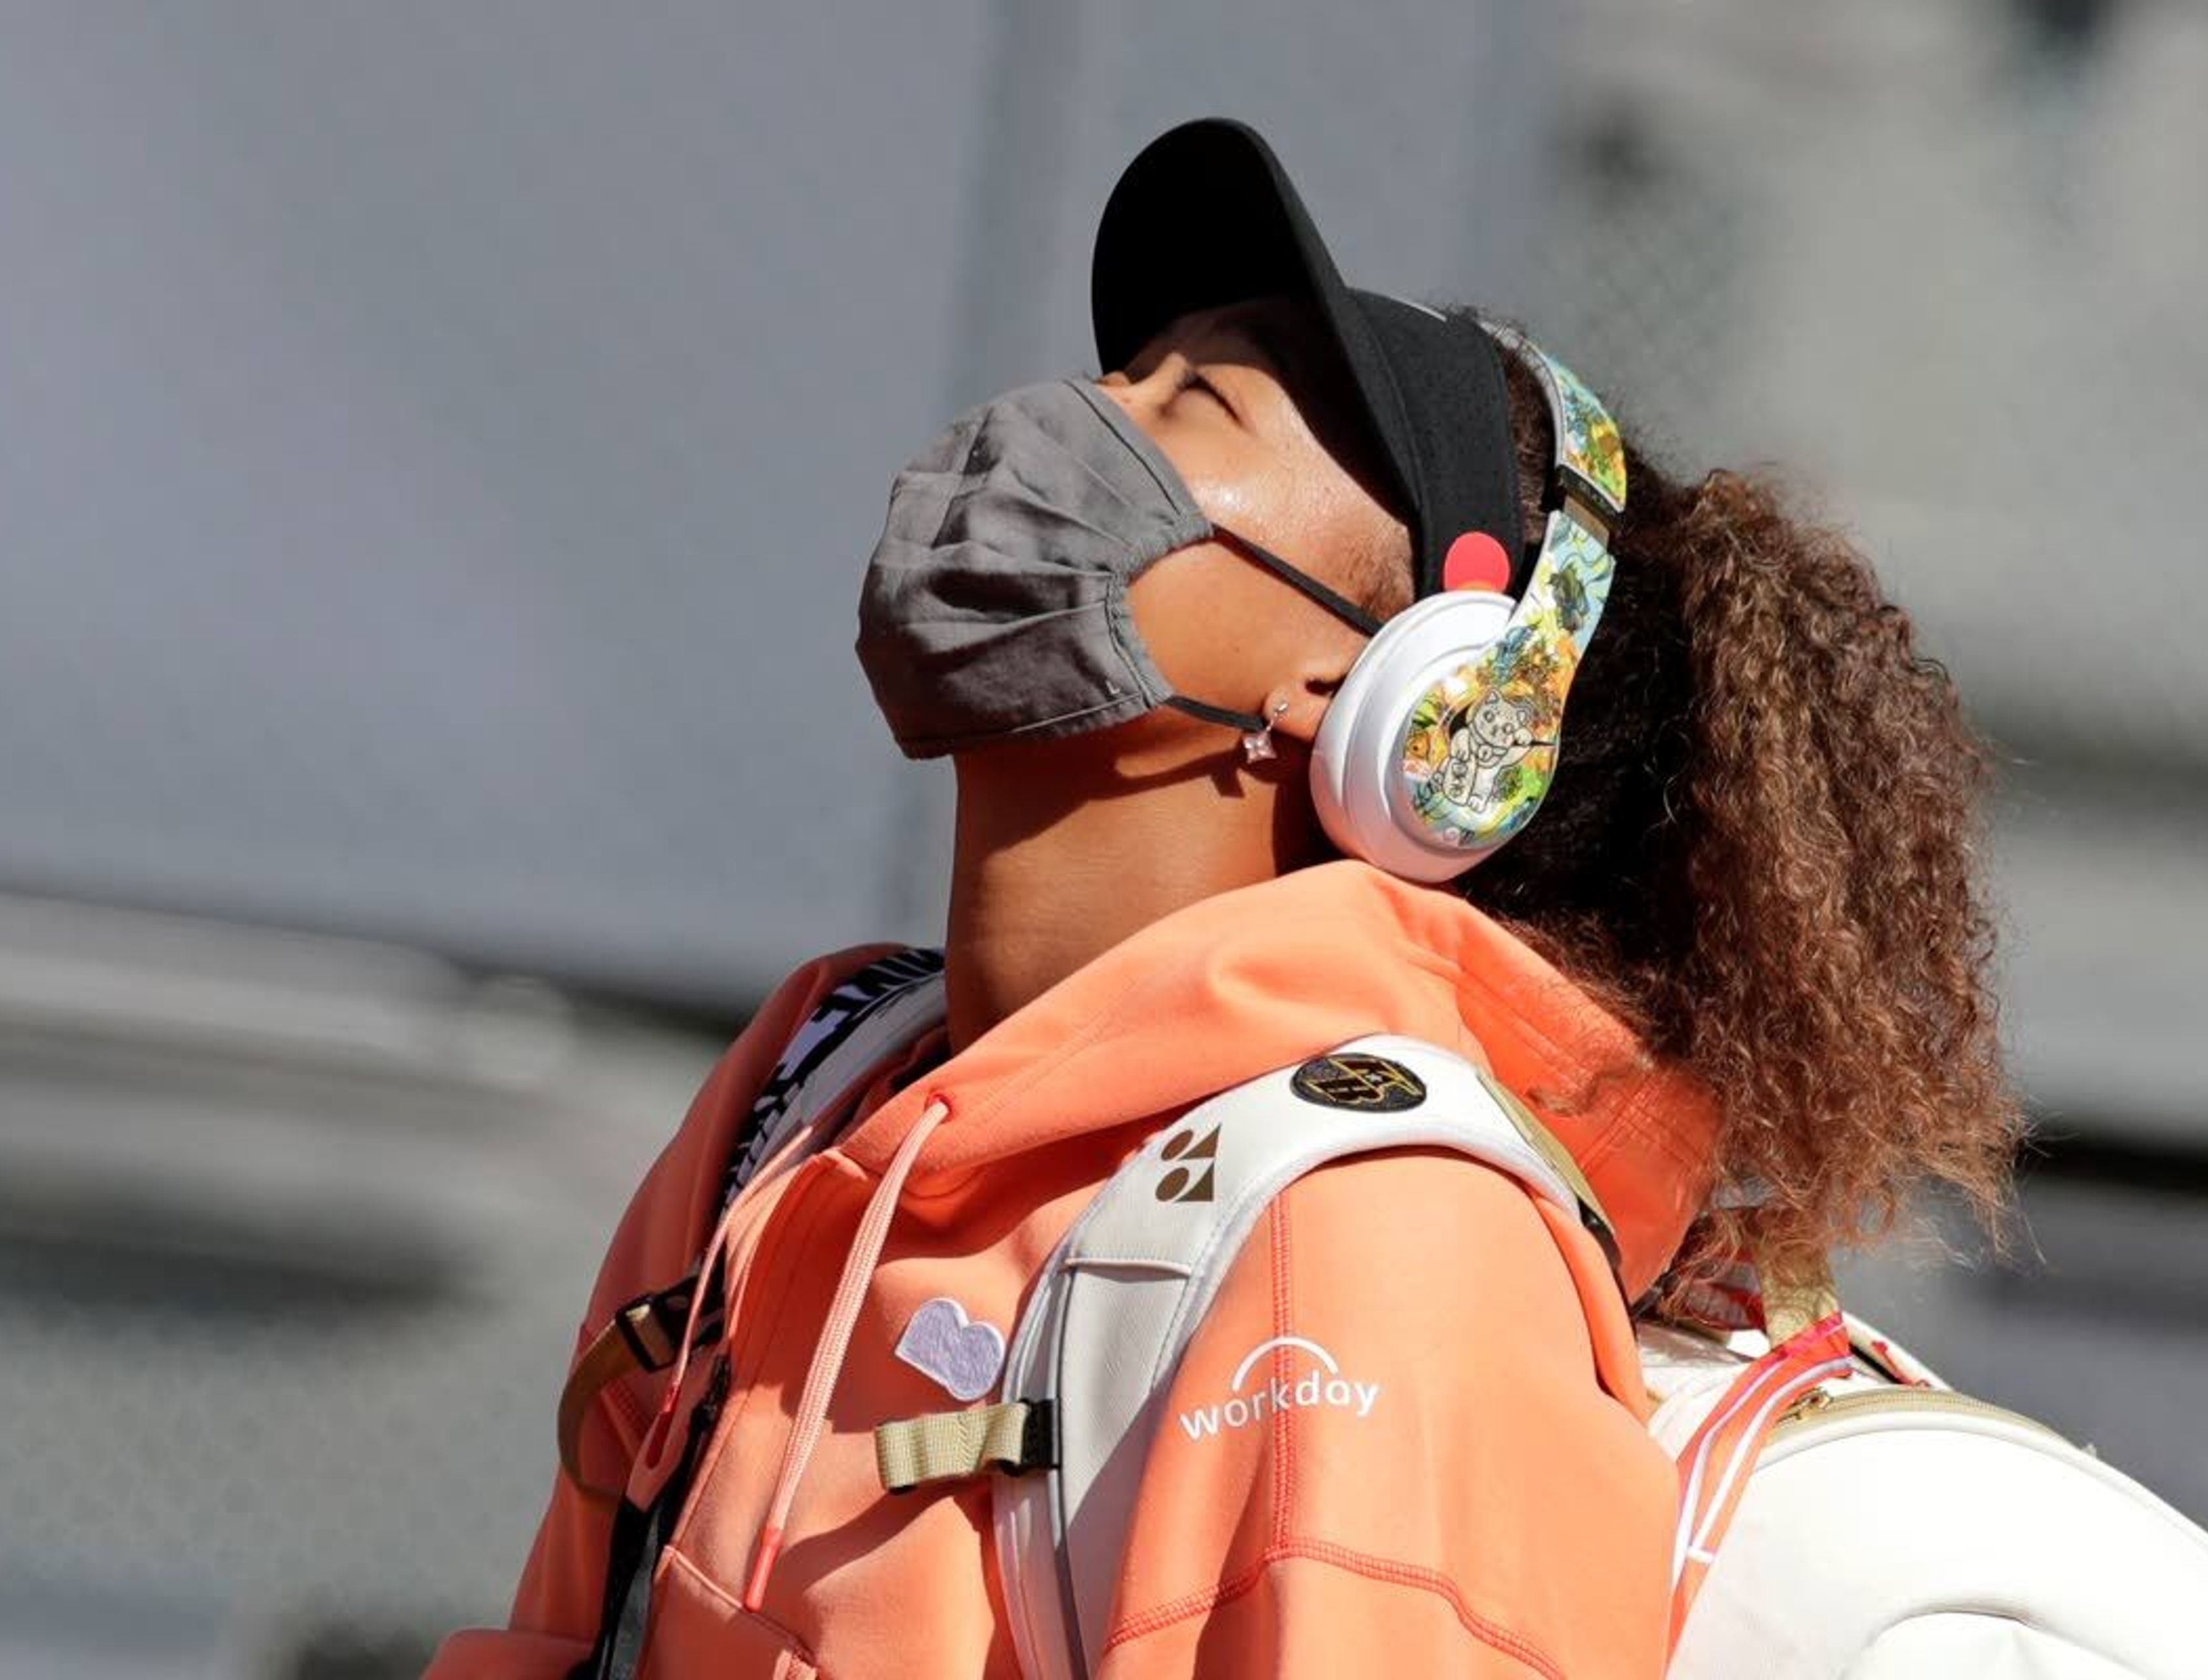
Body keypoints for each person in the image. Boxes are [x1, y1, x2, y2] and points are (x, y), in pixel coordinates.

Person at [425, 117, 2017, 1680]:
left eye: (1194, 404)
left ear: (1403, 698)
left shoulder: (1373, 1242)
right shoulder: (812, 1084)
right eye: (1122, 375)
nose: (1071, 421)